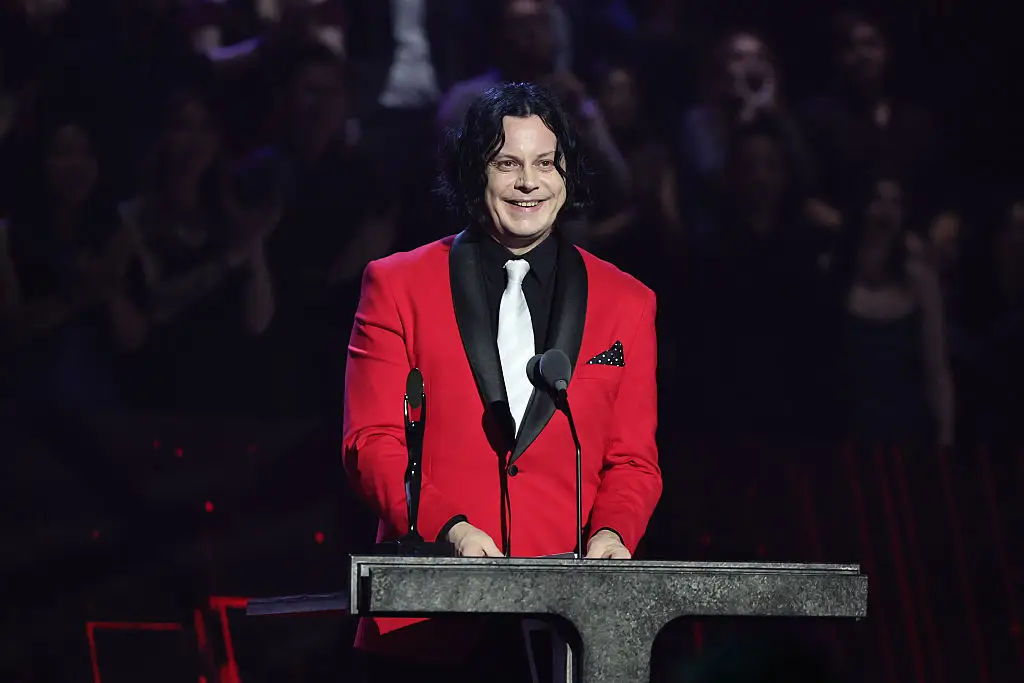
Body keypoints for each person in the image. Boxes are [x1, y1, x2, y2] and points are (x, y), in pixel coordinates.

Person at [342, 82, 662, 681]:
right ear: (473, 173)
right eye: (507, 163)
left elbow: (633, 462)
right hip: (427, 620)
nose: (528, 182)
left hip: (565, 625)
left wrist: (615, 532)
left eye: (546, 163)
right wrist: (452, 529)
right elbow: (372, 443)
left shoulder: (628, 302)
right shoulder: (397, 285)